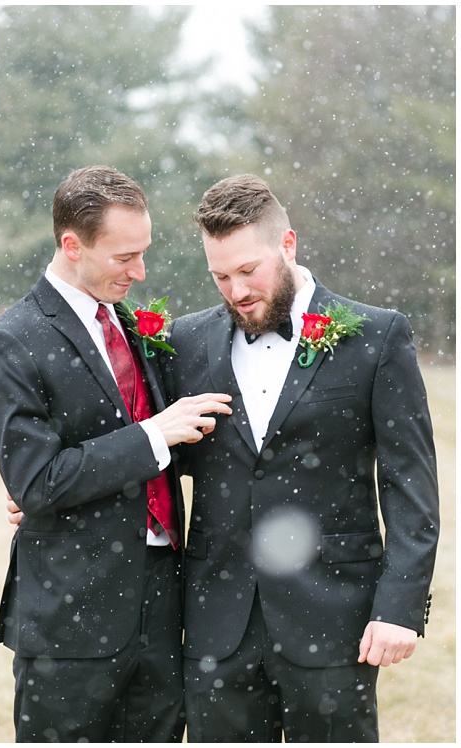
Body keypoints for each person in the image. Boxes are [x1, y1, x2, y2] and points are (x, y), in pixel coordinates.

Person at [164, 174, 439, 741]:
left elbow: (410, 484)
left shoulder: (376, 337)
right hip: (217, 623)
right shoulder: (185, 343)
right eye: (220, 276)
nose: (236, 290)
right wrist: (55, 489)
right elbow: (159, 454)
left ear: (288, 245)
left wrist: (400, 607)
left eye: (248, 271)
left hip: (336, 618)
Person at [0, 165, 232, 742]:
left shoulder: (131, 325)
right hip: (72, 614)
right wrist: (152, 435)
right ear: (72, 245)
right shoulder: (12, 340)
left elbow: (172, 441)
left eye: (143, 253)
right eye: (123, 258)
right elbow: (37, 481)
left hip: (163, 597)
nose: (139, 273)